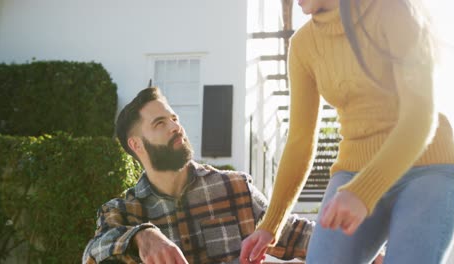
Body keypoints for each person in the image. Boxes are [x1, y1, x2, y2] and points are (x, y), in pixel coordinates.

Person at [241, 0, 454, 263]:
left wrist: (362, 191)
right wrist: (270, 225)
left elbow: (419, 117)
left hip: (427, 167)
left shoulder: (393, 10)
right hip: (352, 171)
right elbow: (300, 141)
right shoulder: (303, 45)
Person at [82, 87, 314, 264]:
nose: (175, 127)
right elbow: (91, 254)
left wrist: (347, 219)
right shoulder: (122, 212)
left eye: (174, 118)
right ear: (136, 145)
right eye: (160, 124)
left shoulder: (235, 188)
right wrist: (141, 237)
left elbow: (300, 236)